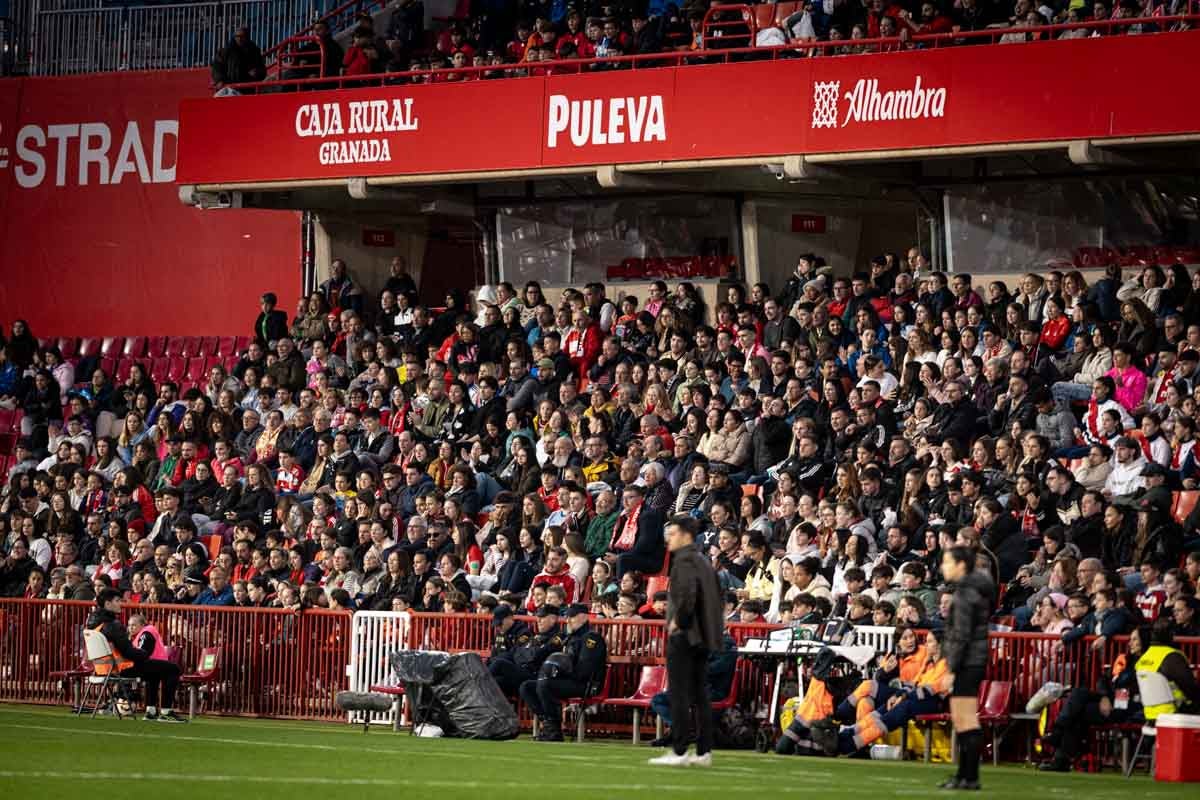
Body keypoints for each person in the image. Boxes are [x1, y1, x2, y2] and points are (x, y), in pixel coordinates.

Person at [649, 515, 726, 768]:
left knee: (680, 693)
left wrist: (677, 623)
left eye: (671, 534)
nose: (668, 539)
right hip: (704, 636)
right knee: (700, 695)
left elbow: (687, 596)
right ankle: (704, 751)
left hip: (685, 635)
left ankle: (680, 749)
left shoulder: (683, 560)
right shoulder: (704, 560)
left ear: (684, 534)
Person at [938, 545, 994, 790]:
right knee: (964, 720)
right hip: (974, 660)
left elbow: (960, 636)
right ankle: (965, 774)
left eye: (947, 562)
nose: (943, 567)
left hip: (967, 662)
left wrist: (950, 669)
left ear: (962, 565)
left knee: (965, 720)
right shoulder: (975, 591)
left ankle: (969, 775)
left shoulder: (964, 595)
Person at [85, 588, 186, 722]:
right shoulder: (113, 625)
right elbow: (128, 652)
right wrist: (144, 655)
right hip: (122, 668)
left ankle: (151, 711)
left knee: (154, 670)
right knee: (173, 669)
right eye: (117, 601)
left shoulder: (92, 623)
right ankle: (166, 712)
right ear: (107, 604)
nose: (120, 604)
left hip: (102, 669)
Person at [519, 603, 606, 742]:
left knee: (546, 684)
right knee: (526, 687)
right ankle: (549, 723)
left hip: (586, 684)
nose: (568, 620)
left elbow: (585, 670)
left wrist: (561, 671)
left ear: (583, 617)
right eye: (567, 617)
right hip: (570, 681)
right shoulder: (568, 636)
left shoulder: (591, 638)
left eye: (572, 617)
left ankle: (554, 730)